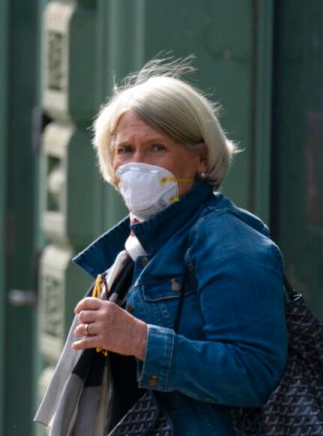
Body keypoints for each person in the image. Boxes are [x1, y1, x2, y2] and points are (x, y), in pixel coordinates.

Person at [53, 58, 287, 434]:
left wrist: (140, 339)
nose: (138, 164)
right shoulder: (133, 247)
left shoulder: (230, 242)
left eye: (157, 147)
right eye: (125, 149)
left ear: (201, 157)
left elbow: (254, 373)